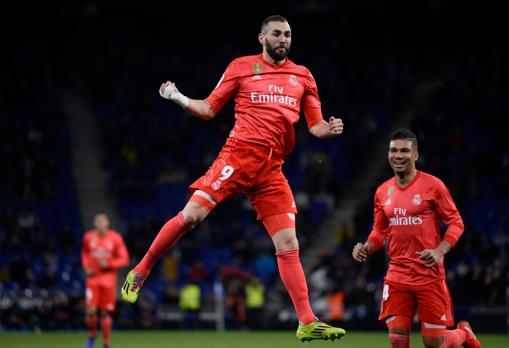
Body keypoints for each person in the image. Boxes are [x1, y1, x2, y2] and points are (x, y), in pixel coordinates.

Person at [121, 14, 346, 341]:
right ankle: (141, 270)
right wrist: (179, 97)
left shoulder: (303, 76)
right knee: (191, 215)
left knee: (289, 243)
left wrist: (330, 129)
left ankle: (307, 321)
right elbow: (209, 109)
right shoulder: (241, 67)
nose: (283, 39)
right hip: (238, 156)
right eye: (277, 34)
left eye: (288, 34)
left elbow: (315, 125)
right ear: (261, 38)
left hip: (271, 170)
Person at [352, 128, 481, 348]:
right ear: (388, 154)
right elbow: (380, 230)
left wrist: (439, 250)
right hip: (397, 275)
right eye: (393, 151)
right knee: (397, 340)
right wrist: (367, 247)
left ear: (415, 155)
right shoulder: (382, 192)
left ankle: (463, 334)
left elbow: (456, 222)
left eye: (404, 151)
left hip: (428, 275)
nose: (398, 155)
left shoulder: (433, 186)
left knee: (435, 344)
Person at [82, 213, 129, 348]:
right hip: (93, 279)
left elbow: (124, 259)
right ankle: (92, 335)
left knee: (104, 313)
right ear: (95, 224)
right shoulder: (88, 237)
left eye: (103, 221)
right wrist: (86, 267)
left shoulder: (115, 238)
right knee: (90, 311)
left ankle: (106, 342)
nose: (101, 224)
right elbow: (85, 253)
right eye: (98, 221)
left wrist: (109, 264)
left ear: (107, 223)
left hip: (108, 280)